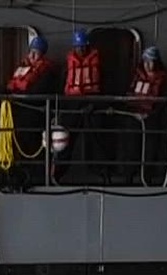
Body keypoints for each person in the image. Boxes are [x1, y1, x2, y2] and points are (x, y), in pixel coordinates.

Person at [1, 35, 58, 185]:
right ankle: (20, 172)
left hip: (36, 114)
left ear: (42, 54)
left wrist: (21, 95)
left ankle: (38, 177)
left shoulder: (47, 72)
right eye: (31, 51)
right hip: (20, 112)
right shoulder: (23, 68)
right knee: (21, 142)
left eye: (36, 52)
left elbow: (39, 92)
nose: (32, 55)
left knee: (36, 146)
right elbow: (10, 85)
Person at [112, 45, 167, 187]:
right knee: (131, 148)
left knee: (150, 150)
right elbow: (130, 94)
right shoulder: (137, 76)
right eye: (146, 62)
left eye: (151, 62)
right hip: (134, 117)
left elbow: (164, 102)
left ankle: (147, 178)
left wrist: (150, 114)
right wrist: (133, 112)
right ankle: (128, 177)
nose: (148, 65)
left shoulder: (163, 79)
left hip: (151, 119)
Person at [58, 29, 103, 181]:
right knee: (66, 138)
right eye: (79, 46)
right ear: (74, 47)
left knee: (95, 138)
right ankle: (58, 172)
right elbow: (63, 82)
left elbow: (104, 83)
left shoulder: (98, 62)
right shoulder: (68, 63)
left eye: (84, 46)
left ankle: (99, 172)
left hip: (92, 101)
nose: (82, 49)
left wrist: (95, 103)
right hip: (72, 103)